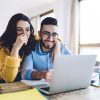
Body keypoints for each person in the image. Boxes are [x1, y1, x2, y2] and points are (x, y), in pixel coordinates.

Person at [21, 17, 72, 82]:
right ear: (39, 34)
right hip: (38, 89)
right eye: (46, 33)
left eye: (54, 34)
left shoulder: (62, 48)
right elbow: (24, 74)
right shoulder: (31, 49)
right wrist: (42, 75)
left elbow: (75, 66)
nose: (50, 38)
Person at [0, 13, 35, 83]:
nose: (25, 34)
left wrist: (58, 43)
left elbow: (47, 37)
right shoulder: (3, 48)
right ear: (12, 31)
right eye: (19, 30)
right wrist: (16, 48)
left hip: (21, 81)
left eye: (27, 29)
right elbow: (8, 78)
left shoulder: (31, 38)